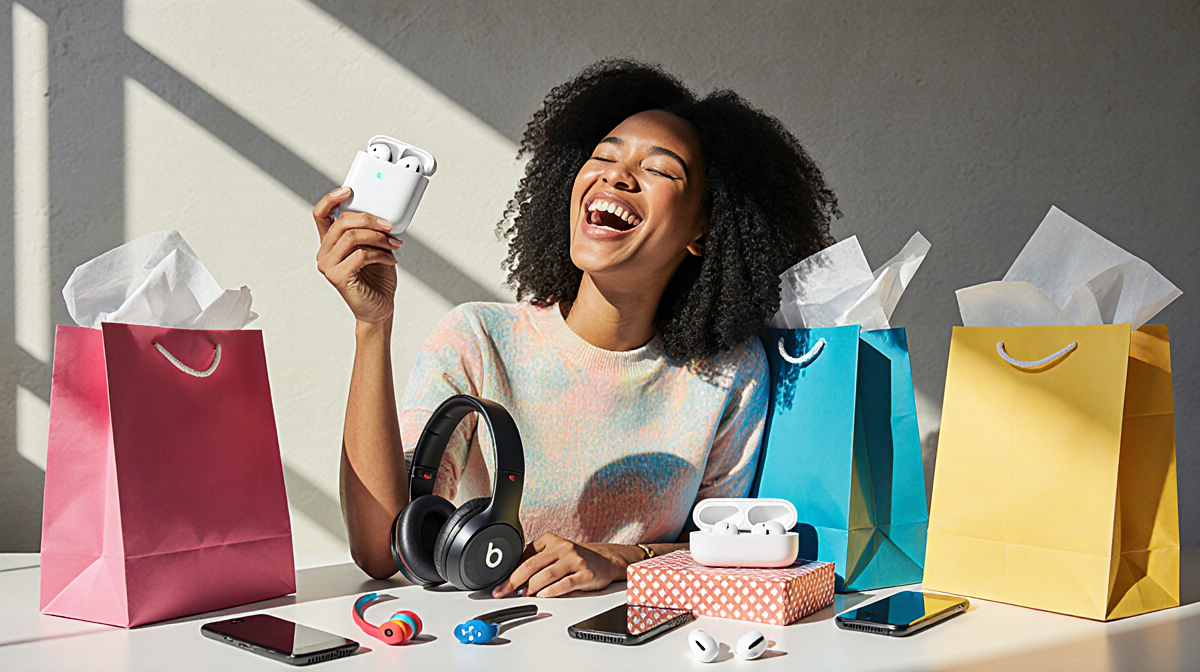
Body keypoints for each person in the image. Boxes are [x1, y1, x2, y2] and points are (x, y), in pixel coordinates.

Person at [312, 59, 837, 597]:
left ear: (703, 230)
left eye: (659, 170)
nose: (616, 175)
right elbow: (382, 551)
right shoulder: (478, 339)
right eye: (603, 156)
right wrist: (372, 325)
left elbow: (724, 550)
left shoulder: (730, 373)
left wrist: (618, 560)